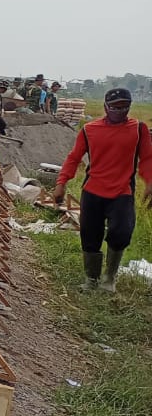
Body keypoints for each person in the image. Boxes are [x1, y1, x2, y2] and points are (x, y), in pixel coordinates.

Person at [51, 88, 152, 292]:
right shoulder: (89, 130)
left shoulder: (138, 129)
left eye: (124, 106)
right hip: (93, 191)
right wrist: (61, 184)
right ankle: (91, 279)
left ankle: (109, 278)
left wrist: (150, 182)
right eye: (115, 107)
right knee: (90, 235)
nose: (119, 110)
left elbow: (148, 158)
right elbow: (74, 157)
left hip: (122, 192)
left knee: (121, 232)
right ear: (106, 107)